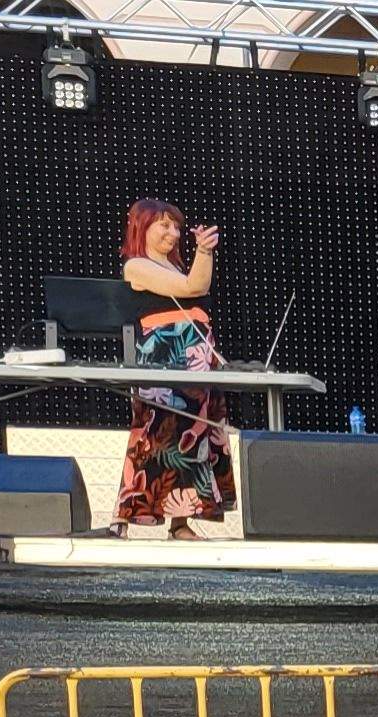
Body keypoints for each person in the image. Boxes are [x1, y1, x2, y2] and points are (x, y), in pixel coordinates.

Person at [115, 200, 234, 538]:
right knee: (156, 435)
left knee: (194, 438)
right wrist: (204, 252)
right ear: (143, 228)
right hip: (165, 355)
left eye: (175, 226)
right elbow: (191, 289)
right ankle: (125, 517)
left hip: (195, 357)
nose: (172, 232)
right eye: (163, 225)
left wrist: (204, 254)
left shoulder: (176, 267)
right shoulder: (136, 266)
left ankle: (181, 522)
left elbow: (199, 286)